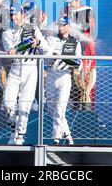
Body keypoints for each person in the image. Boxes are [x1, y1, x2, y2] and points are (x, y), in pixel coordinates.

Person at [2, 4, 47, 145]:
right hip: (15, 70)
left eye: (15, 14)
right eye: (11, 15)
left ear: (22, 13)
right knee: (8, 104)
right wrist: (11, 51)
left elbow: (47, 48)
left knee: (24, 106)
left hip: (30, 69)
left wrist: (37, 43)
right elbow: (9, 50)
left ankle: (20, 136)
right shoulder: (7, 33)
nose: (13, 17)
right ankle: (13, 128)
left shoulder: (33, 28)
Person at [44, 17, 82, 145]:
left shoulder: (75, 41)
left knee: (60, 109)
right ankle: (68, 135)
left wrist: (73, 62)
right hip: (51, 75)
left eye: (63, 25)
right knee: (51, 109)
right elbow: (46, 58)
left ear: (68, 26)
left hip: (65, 77)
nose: (60, 27)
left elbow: (79, 62)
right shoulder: (50, 39)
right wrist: (53, 57)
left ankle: (56, 138)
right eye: (59, 25)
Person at [62, 0, 97, 110]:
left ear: (78, 1)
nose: (69, 4)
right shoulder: (65, 12)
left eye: (71, 2)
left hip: (85, 51)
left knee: (86, 83)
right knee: (73, 83)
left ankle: (87, 109)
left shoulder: (86, 10)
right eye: (68, 2)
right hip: (72, 50)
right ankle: (74, 107)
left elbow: (88, 32)